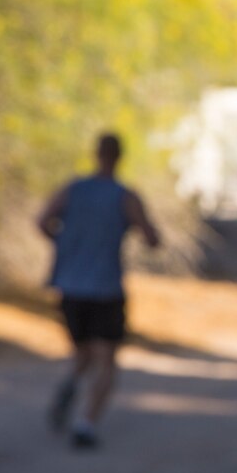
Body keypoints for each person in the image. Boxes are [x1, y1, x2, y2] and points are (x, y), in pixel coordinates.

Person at [38, 133, 160, 449]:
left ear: (96, 153)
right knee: (105, 357)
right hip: (105, 287)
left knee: (84, 351)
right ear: (120, 156)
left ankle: (71, 384)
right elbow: (151, 238)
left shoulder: (72, 190)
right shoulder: (124, 196)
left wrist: (66, 244)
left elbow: (41, 222)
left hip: (70, 285)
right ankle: (85, 425)